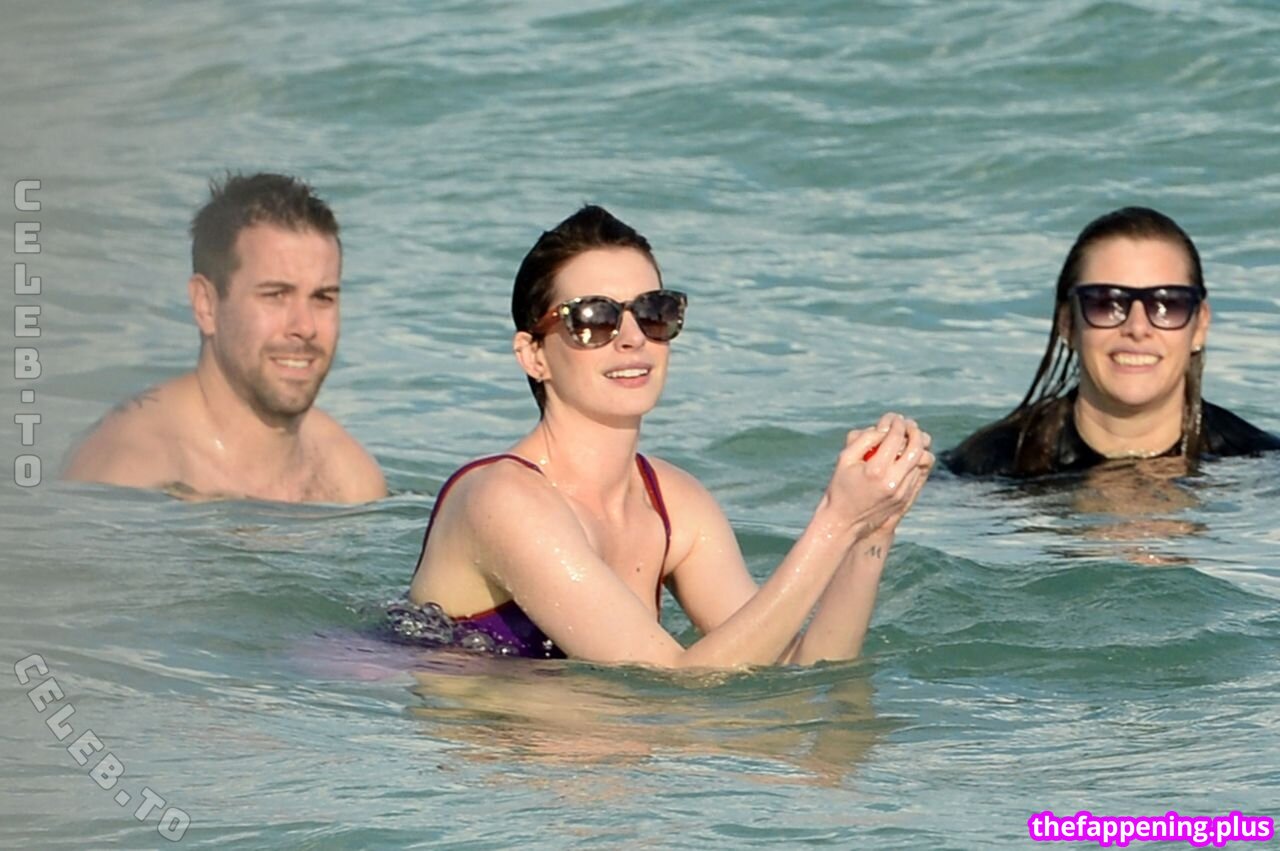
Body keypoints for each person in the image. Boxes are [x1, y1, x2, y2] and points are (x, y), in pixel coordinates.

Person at [401, 204, 933, 667]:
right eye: (594, 319)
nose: (632, 338)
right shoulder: (502, 499)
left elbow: (796, 669)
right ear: (533, 354)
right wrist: (834, 522)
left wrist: (871, 529)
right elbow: (673, 682)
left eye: (653, 312)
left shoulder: (675, 502)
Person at [63, 172, 387, 503]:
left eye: (322, 298)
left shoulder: (351, 480)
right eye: (275, 295)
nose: (305, 327)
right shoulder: (126, 475)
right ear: (206, 304)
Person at [943, 206, 1280, 478]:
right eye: (1106, 303)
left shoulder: (1259, 464)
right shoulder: (985, 468)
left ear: (1200, 324)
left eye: (1167, 303)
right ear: (1068, 324)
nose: (1137, 327)